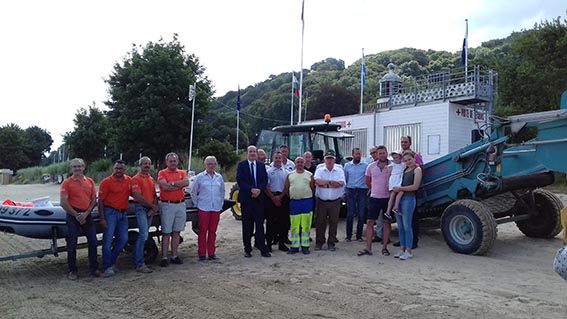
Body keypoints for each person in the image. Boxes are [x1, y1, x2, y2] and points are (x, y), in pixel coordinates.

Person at [60, 158, 100, 280]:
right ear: (71, 168)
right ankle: (72, 270)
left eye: (79, 166)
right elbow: (63, 202)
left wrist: (86, 213)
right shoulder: (66, 183)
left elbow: (94, 200)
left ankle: (94, 268)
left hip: (87, 214)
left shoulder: (90, 182)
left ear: (83, 167)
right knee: (72, 244)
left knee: (93, 241)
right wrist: (77, 215)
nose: (77, 168)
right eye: (75, 167)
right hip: (73, 215)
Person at [98, 160, 132, 277]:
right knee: (107, 241)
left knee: (123, 239)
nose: (119, 171)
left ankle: (111, 262)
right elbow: (101, 201)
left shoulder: (129, 180)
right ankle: (107, 267)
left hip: (123, 213)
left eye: (121, 169)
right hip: (110, 212)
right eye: (117, 168)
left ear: (125, 169)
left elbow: (136, 193)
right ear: (114, 169)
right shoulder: (106, 182)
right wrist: (102, 218)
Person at [236, 145, 271, 257]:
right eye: (250, 151)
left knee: (260, 225)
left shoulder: (261, 166)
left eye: (254, 152)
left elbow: (264, 179)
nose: (252, 153)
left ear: (256, 153)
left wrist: (259, 190)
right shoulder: (242, 165)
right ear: (247, 153)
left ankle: (262, 248)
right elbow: (240, 180)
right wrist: (251, 190)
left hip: (259, 199)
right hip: (247, 200)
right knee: (247, 226)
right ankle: (247, 249)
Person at [358, 146, 392, 257]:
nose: (382, 155)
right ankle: (368, 248)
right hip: (374, 198)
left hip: (387, 198)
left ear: (387, 153)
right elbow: (367, 181)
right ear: (377, 155)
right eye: (380, 153)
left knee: (387, 222)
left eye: (384, 153)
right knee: (370, 222)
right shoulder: (371, 167)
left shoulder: (392, 166)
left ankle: (385, 247)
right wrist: (375, 189)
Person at [157, 152, 189, 267]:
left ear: (177, 162)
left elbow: (186, 182)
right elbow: (164, 186)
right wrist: (178, 185)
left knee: (177, 232)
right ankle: (164, 257)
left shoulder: (182, 172)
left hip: (180, 204)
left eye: (174, 161)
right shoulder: (162, 172)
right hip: (167, 205)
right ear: (166, 162)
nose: (173, 163)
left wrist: (173, 183)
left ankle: (174, 255)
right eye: (170, 161)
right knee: (166, 232)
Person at [191, 156, 225, 261]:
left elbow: (222, 191)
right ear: (205, 165)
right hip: (203, 207)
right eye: (209, 164)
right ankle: (201, 253)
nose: (211, 166)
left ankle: (211, 252)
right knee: (202, 231)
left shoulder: (219, 177)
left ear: (216, 165)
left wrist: (220, 203)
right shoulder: (199, 177)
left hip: (215, 208)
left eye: (213, 164)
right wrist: (197, 204)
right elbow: (193, 192)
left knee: (213, 231)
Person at [394, 136, 424, 249]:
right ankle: (403, 243)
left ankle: (413, 242)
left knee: (412, 219)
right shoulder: (400, 155)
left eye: (405, 142)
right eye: (402, 142)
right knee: (401, 222)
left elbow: (421, 169)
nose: (403, 143)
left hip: (410, 191)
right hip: (401, 191)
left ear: (410, 143)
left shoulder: (415, 156)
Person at [130, 156, 159, 273]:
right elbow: (137, 196)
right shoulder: (136, 179)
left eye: (148, 163)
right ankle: (139, 263)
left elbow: (154, 195)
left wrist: (155, 207)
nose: (147, 166)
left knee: (145, 236)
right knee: (142, 235)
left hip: (150, 209)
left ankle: (139, 261)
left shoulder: (151, 179)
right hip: (141, 208)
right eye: (144, 164)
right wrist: (152, 206)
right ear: (140, 165)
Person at [313, 150, 345, 251]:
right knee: (320, 222)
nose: (329, 161)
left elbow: (340, 183)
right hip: (322, 201)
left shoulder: (339, 170)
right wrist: (331, 183)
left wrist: (325, 184)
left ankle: (331, 242)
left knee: (333, 222)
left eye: (331, 158)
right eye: (328, 159)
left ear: (334, 159)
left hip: (335, 201)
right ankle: (319, 242)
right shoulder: (320, 169)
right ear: (324, 160)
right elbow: (317, 181)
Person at [284, 156, 315, 254]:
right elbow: (287, 189)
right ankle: (295, 246)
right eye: (298, 162)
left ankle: (305, 246)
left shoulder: (309, 175)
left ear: (304, 163)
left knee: (306, 226)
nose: (300, 164)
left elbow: (313, 188)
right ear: (295, 163)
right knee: (294, 225)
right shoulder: (290, 175)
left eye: (302, 162)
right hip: (295, 203)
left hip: (306, 203)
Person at [265, 151, 290, 252]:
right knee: (270, 222)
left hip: (283, 198)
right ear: (273, 159)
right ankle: (269, 243)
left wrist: (280, 196)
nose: (278, 160)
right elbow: (266, 186)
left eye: (279, 158)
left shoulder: (287, 172)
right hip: (271, 198)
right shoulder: (268, 171)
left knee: (283, 222)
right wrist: (273, 197)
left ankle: (281, 243)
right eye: (276, 158)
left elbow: (287, 187)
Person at [343, 148, 368, 242]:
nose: (358, 156)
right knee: (350, 214)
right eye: (356, 154)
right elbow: (345, 179)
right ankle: (348, 235)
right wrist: (344, 192)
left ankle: (359, 235)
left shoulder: (365, 165)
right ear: (352, 154)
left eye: (359, 154)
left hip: (362, 191)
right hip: (351, 191)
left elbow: (368, 178)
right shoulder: (347, 165)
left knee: (361, 214)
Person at [385, 151, 405, 219]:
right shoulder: (392, 165)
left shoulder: (403, 164)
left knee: (400, 192)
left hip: (399, 179)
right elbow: (388, 174)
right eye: (394, 158)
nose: (396, 159)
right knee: (393, 195)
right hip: (394, 180)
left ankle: (394, 207)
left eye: (397, 157)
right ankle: (389, 210)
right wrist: (387, 183)